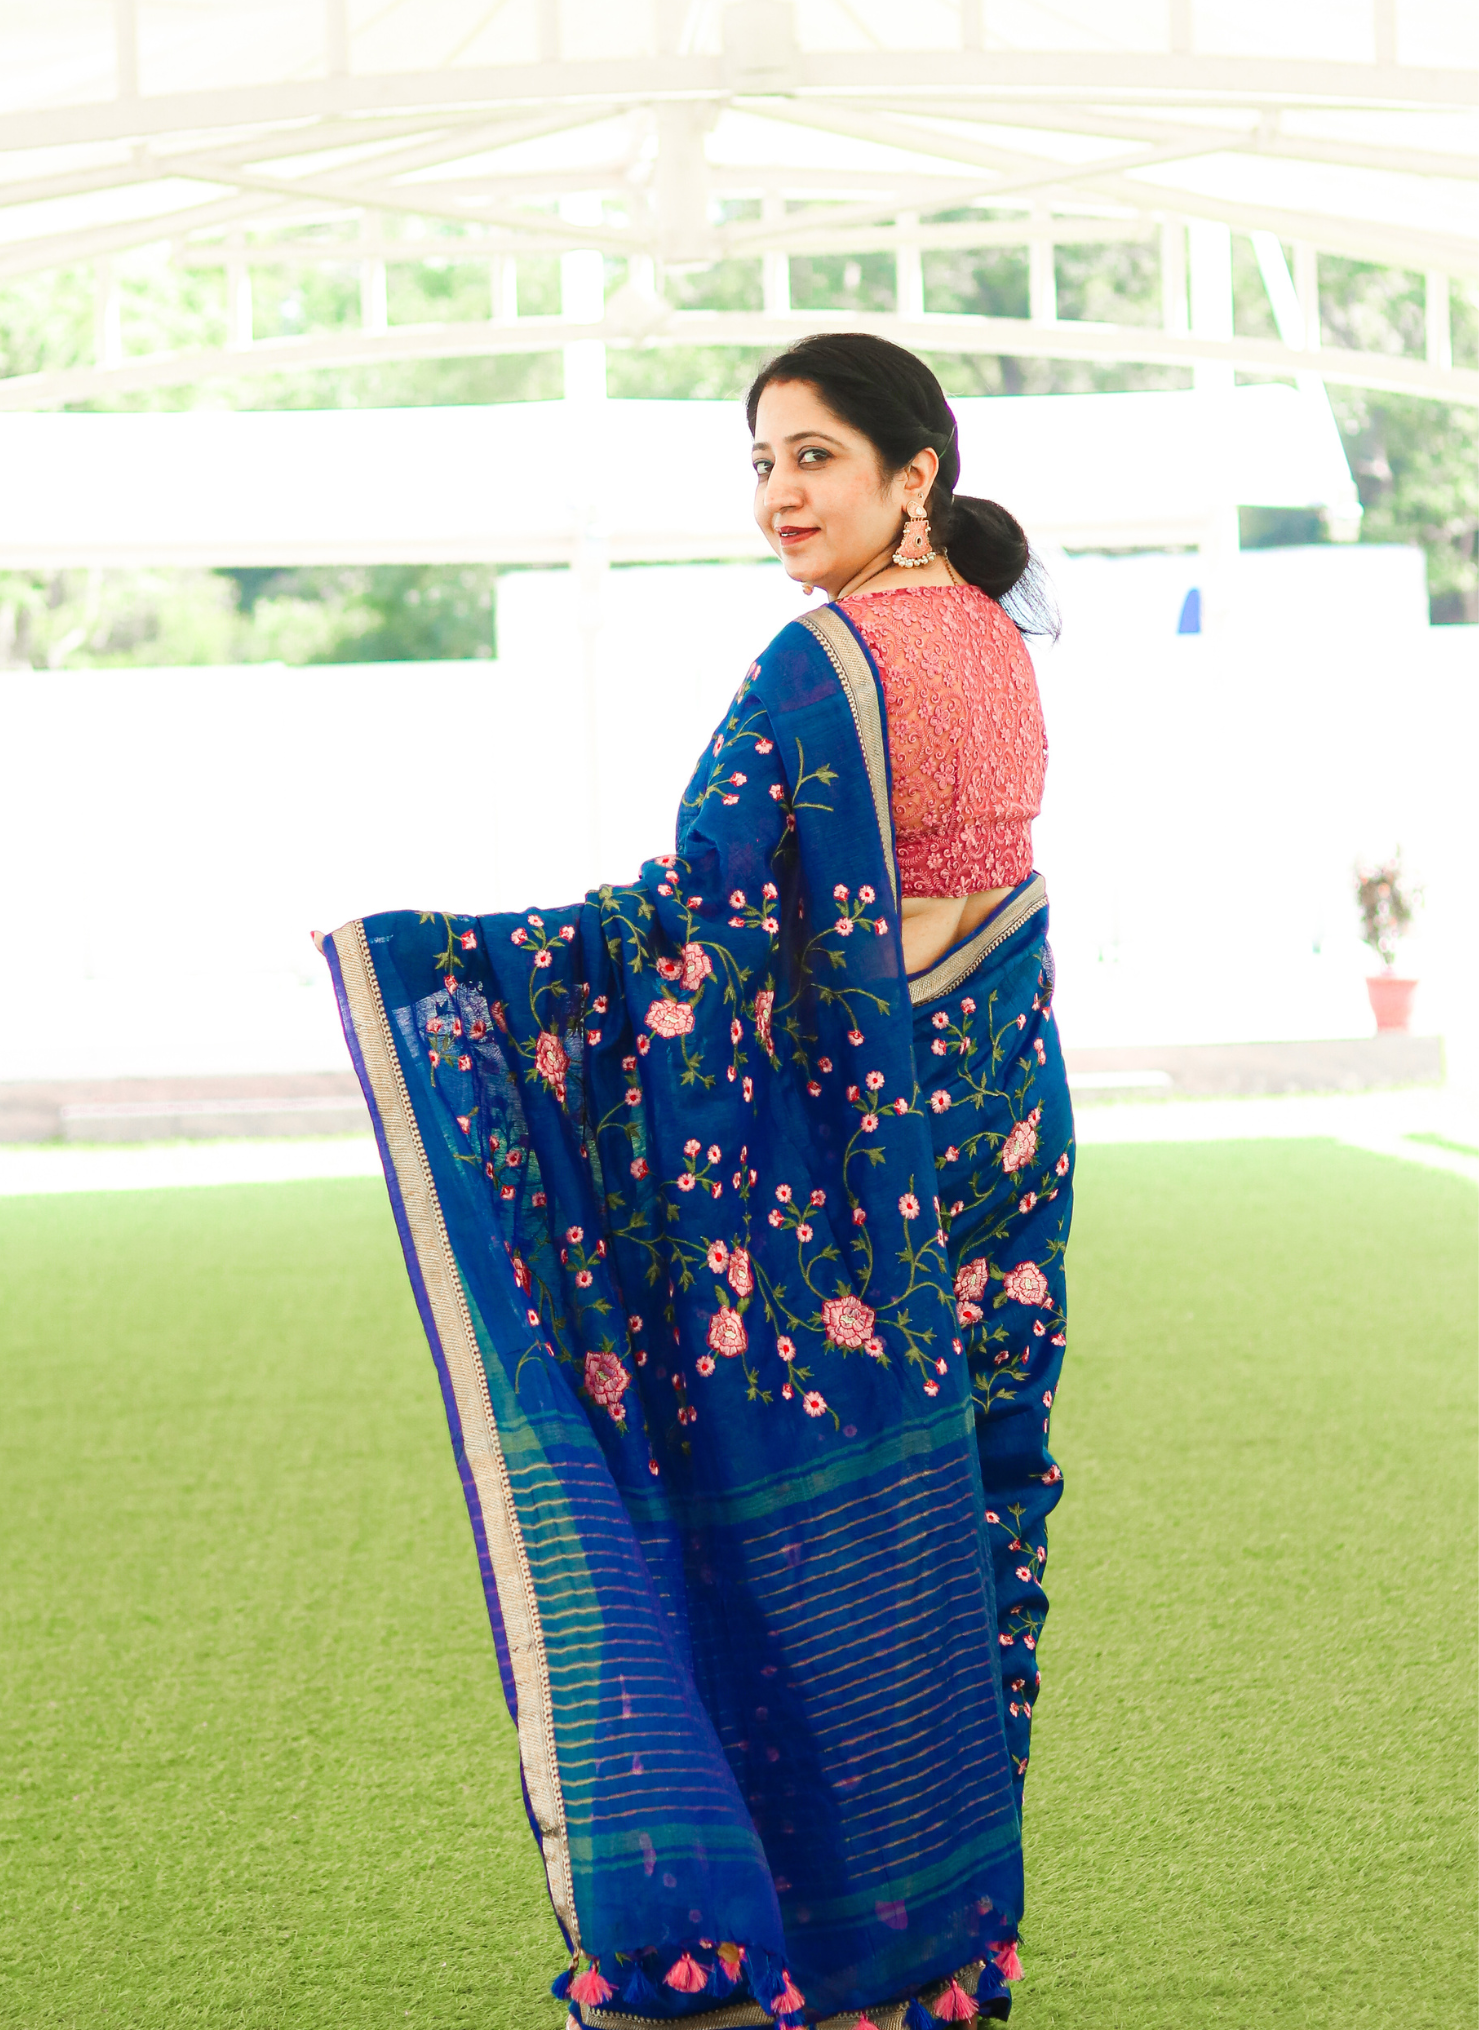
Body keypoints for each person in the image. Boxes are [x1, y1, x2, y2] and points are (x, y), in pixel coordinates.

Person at [319, 332, 1071, 2029]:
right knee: (961, 1518)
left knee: (766, 1499)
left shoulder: (821, 669)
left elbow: (695, 928)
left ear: (912, 474)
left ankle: (760, 1926)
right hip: (997, 1155)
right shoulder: (1001, 652)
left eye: (812, 456)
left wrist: (467, 979)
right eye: (759, 464)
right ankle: (937, 1946)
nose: (780, 495)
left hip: (847, 1202)